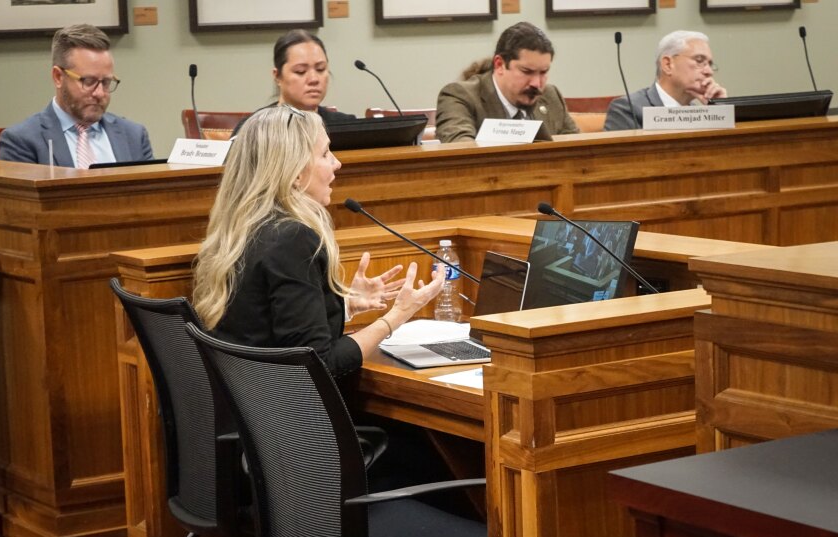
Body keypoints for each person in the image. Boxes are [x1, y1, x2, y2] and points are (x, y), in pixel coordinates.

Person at [194, 105, 444, 387]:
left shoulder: (245, 229)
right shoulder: (292, 239)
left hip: (246, 413)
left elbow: (264, 323)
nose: (337, 163)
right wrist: (397, 316)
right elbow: (319, 365)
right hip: (290, 423)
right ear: (295, 173)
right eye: (325, 154)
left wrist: (343, 305)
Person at [0, 24, 152, 168]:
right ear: (58, 77)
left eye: (106, 82)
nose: (99, 93)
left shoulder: (134, 136)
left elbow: (153, 195)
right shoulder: (22, 141)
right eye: (88, 81)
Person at [435, 21, 579, 143]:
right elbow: (462, 152)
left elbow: (579, 153)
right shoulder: (460, 96)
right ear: (499, 65)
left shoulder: (551, 96)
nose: (536, 83)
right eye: (526, 71)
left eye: (543, 72)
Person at [232, 30, 355, 137]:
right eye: (300, 71)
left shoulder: (346, 126)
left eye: (320, 69)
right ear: (278, 76)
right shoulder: (253, 129)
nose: (313, 79)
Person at [604, 30, 728, 131]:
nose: (709, 71)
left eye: (710, 64)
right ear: (668, 65)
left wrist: (720, 110)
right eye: (699, 61)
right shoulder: (628, 109)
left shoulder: (702, 115)